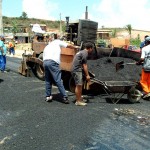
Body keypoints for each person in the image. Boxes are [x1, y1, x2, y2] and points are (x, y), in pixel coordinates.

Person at [43, 34, 79, 104]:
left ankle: (48, 96)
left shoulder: (47, 46)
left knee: (48, 80)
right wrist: (75, 47)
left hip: (45, 62)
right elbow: (68, 45)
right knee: (58, 80)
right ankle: (64, 97)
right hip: (53, 63)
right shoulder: (57, 42)